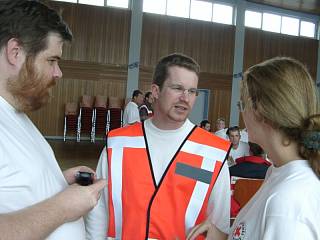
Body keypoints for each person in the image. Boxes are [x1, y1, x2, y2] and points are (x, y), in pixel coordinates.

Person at [86, 53, 231, 240]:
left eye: (192, 91)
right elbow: (98, 214)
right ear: (155, 91)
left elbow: (220, 225)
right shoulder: (118, 144)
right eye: (177, 88)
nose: (185, 98)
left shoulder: (213, 152)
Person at [0, 1, 106, 239]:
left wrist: (57, 179)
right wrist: (62, 207)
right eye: (51, 60)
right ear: (15, 52)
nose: (58, 73)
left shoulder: (17, 115)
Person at [188, 57, 320, 240]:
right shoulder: (277, 172)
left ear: (260, 110)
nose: (241, 114)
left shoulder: (288, 204)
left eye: (241, 105)